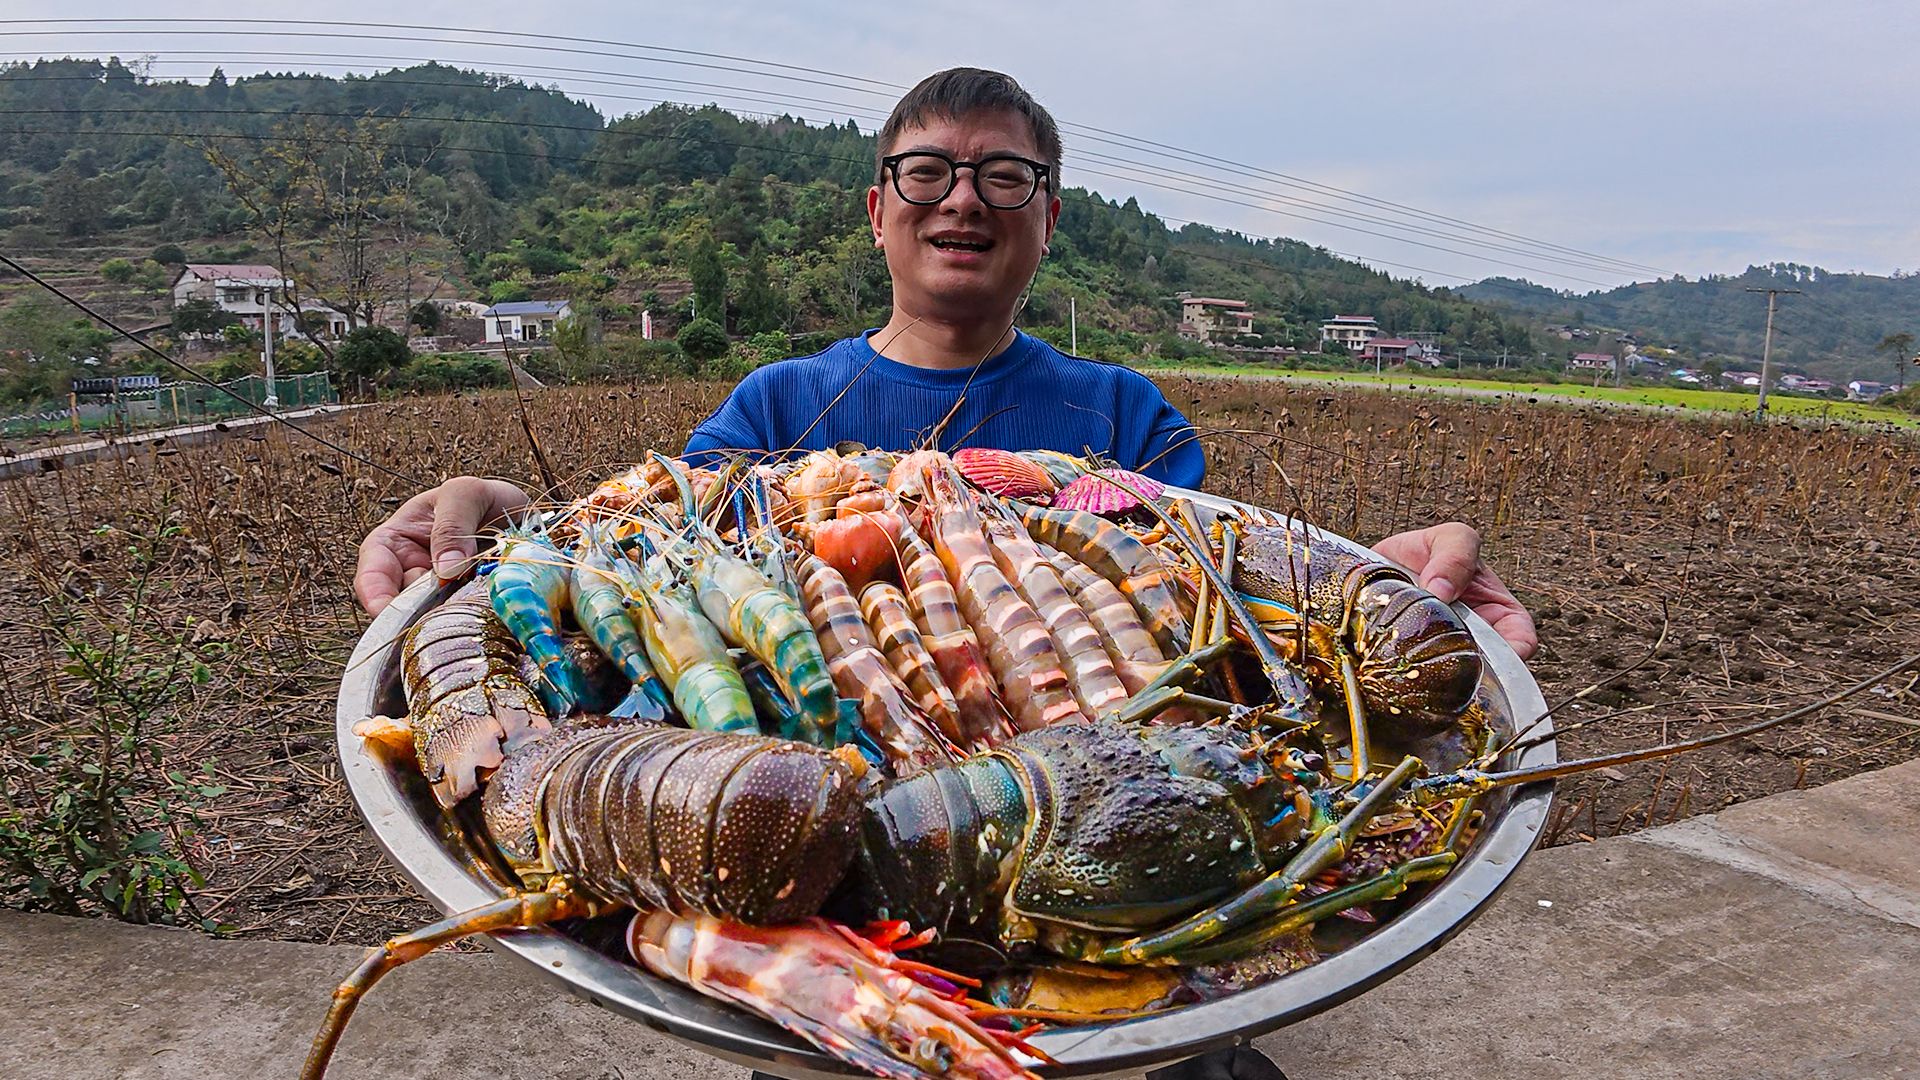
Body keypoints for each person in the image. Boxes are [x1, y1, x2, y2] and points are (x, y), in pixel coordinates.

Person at [352, 67, 1536, 1080]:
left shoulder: (1125, 418)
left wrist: (1369, 582)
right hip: (821, 844)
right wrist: (515, 518)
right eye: (928, 172)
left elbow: (1218, 597)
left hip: (1115, 825)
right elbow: (646, 543)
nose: (964, 198)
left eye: (1004, 176)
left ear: (1048, 217)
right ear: (880, 209)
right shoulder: (778, 409)